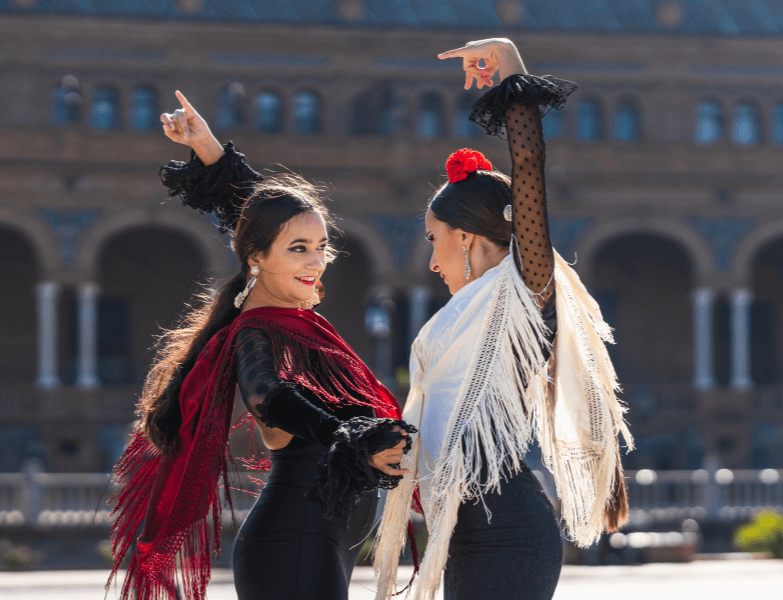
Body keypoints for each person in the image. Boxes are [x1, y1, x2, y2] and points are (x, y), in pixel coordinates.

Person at [105, 92, 416, 600]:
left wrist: (207, 146)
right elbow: (270, 396)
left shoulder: (298, 325)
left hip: (316, 544)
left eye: (321, 247)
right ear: (256, 258)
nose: (316, 262)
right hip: (292, 545)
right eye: (298, 250)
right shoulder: (256, 331)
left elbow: (261, 214)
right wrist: (351, 434)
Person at [371, 39, 634, 600]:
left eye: (433, 241)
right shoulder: (467, 309)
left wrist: (509, 67)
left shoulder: (523, 290)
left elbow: (529, 168)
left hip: (509, 529)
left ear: (465, 237)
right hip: (464, 529)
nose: (433, 259)